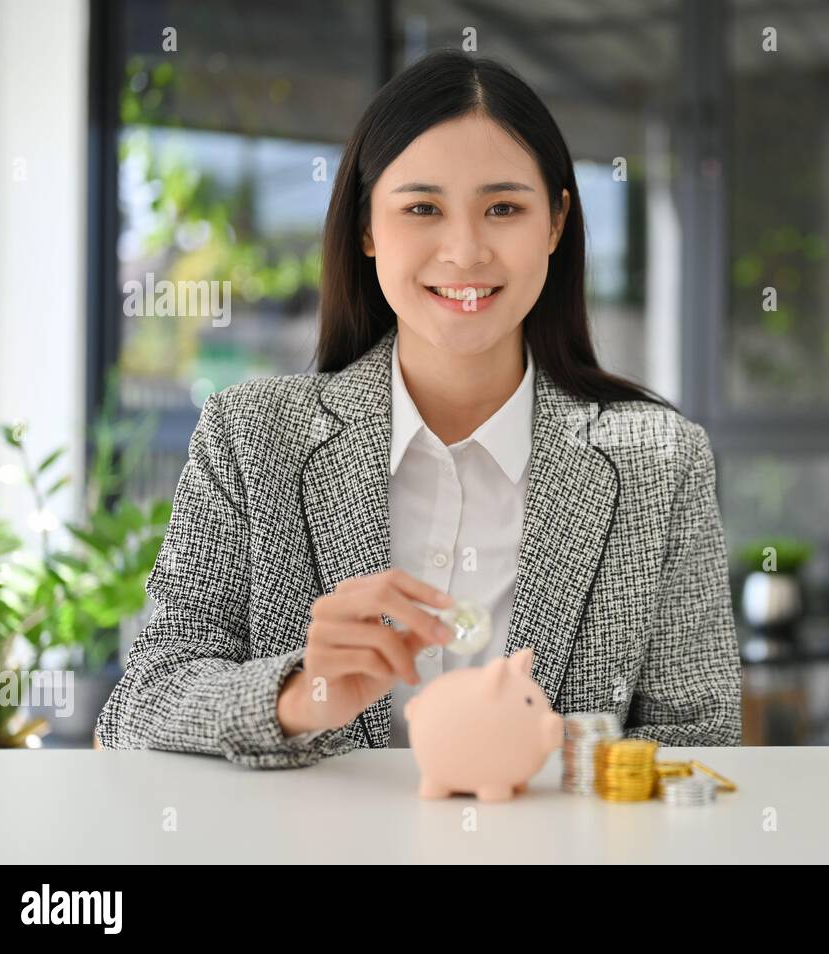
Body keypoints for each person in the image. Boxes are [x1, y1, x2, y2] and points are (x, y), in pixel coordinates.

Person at [96, 49, 742, 768]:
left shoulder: (659, 458)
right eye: (421, 208)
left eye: (504, 208)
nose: (465, 252)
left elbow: (700, 741)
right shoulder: (251, 436)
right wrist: (306, 693)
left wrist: (559, 762)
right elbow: (141, 705)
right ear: (368, 229)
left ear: (556, 223)